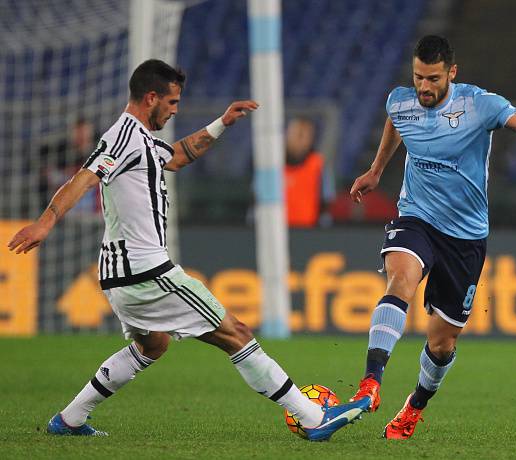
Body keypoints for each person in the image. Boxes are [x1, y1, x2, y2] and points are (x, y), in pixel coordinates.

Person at [8, 59, 370, 441]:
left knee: (153, 344)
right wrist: (46, 222)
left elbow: (177, 157)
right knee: (236, 332)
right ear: (151, 98)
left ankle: (70, 419)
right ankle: (313, 418)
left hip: (120, 276)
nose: (176, 109)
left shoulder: (142, 139)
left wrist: (222, 123)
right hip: (147, 272)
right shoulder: (123, 136)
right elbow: (84, 177)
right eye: (173, 102)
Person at [348, 36, 516, 440]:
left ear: (452, 73)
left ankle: (414, 406)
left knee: (442, 342)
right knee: (400, 279)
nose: (423, 87)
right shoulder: (400, 100)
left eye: (432, 79)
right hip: (416, 217)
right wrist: (376, 169)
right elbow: (396, 120)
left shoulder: (480, 104)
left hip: (465, 237)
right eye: (417, 78)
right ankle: (370, 383)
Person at [284, 116, 332, 227]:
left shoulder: (318, 164)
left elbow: (326, 202)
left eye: (305, 135)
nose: (300, 140)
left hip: (308, 232)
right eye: (297, 134)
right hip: (278, 233)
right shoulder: (273, 164)